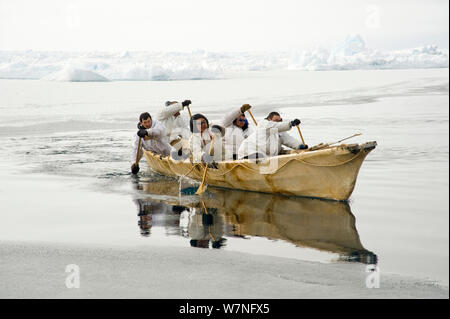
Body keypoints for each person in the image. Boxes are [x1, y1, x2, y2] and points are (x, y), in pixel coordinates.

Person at [237, 111, 308, 159]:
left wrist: (300, 145)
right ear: (269, 119)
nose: (278, 122)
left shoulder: (279, 130)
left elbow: (288, 139)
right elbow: (274, 126)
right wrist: (290, 123)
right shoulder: (263, 124)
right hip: (248, 152)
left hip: (264, 156)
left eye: (280, 121)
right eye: (276, 120)